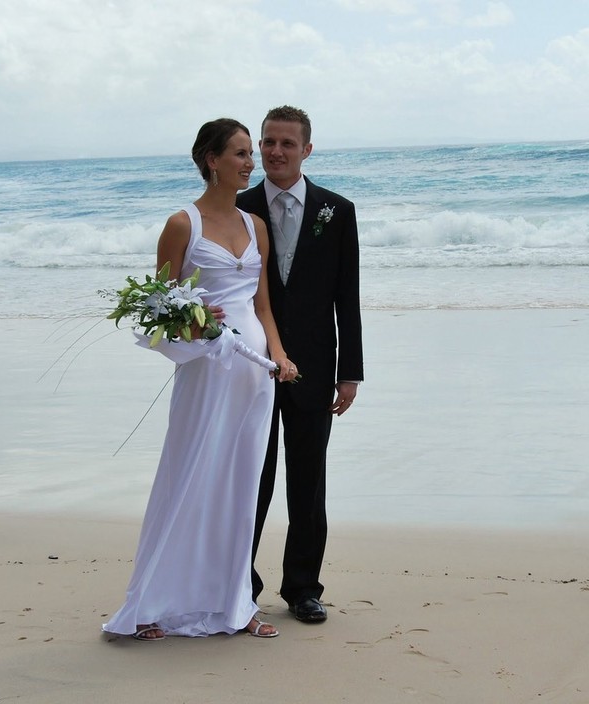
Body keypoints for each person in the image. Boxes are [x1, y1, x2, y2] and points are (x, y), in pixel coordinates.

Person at [103, 118, 298, 641]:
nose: (249, 161)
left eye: (249, 154)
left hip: (253, 373)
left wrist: (279, 355)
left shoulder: (255, 225)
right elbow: (158, 303)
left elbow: (262, 305)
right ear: (211, 160)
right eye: (239, 153)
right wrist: (196, 322)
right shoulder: (182, 224)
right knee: (188, 477)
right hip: (207, 372)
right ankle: (150, 603)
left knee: (240, 486)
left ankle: (236, 605)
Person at [236, 106, 364, 623]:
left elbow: (346, 296)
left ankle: (303, 588)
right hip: (249, 367)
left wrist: (349, 371)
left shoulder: (338, 209)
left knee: (308, 483)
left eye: (287, 143)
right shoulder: (238, 208)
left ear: (307, 149)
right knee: (250, 479)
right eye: (268, 142)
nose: (275, 152)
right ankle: (240, 581)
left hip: (314, 368)